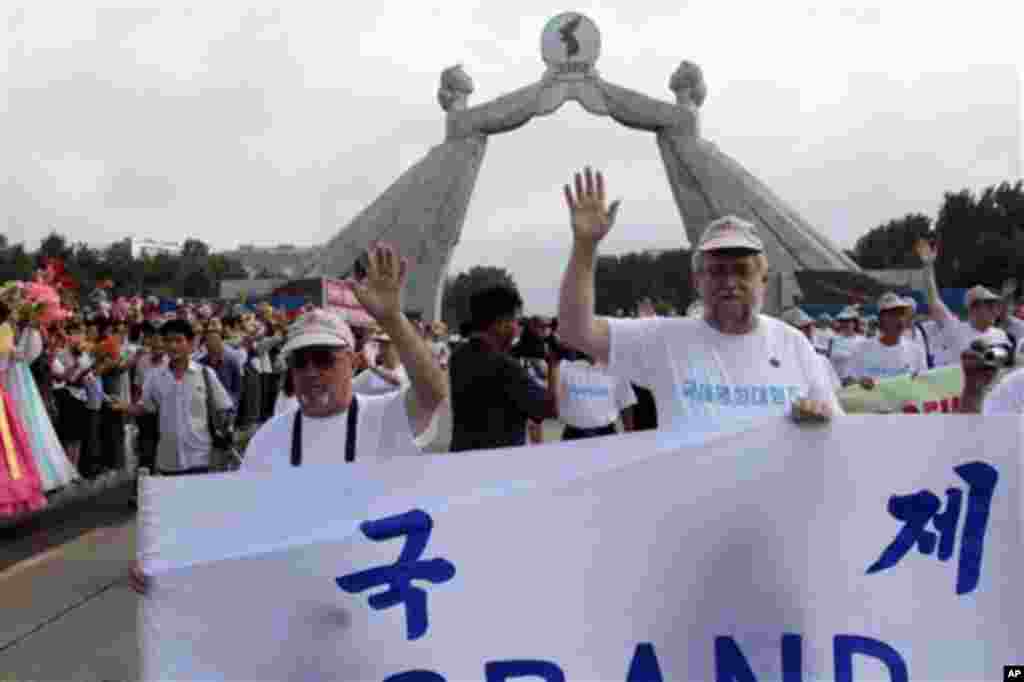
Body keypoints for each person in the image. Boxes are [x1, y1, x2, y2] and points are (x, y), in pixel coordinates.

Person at [557, 167, 839, 433]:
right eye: (716, 271)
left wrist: (818, 421)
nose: (730, 283)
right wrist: (585, 245)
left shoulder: (794, 345)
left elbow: (835, 424)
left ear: (763, 280)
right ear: (697, 282)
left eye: (742, 270)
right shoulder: (664, 339)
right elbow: (575, 331)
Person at [113, 319, 234, 476]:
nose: (173, 346)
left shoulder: (205, 374)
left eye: (178, 340)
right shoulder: (155, 377)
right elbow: (145, 408)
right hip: (168, 460)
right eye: (168, 341)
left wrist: (225, 436)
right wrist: (125, 406)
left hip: (201, 458)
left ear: (190, 344)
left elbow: (225, 408)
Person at [449, 285, 560, 452]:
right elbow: (550, 409)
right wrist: (554, 364)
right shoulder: (506, 366)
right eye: (515, 320)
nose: (517, 329)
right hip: (500, 464)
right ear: (500, 323)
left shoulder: (458, 356)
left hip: (462, 457)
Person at [914, 239, 1009, 355]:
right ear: (973, 309)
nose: (995, 310)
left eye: (995, 305)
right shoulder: (956, 329)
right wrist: (928, 265)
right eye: (989, 305)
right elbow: (933, 300)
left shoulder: (1000, 335)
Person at [845, 293, 927, 389]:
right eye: (893, 314)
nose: (899, 319)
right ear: (881, 319)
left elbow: (925, 385)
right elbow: (848, 382)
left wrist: (918, 381)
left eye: (901, 314)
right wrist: (859, 383)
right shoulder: (861, 349)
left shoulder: (916, 351)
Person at [556, 346, 637, 439]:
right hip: (573, 434)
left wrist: (630, 436)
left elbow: (626, 403)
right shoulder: (562, 366)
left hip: (606, 434)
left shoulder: (616, 368)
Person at [780, 307, 841, 393]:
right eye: (802, 328)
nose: (808, 332)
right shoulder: (776, 362)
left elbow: (835, 392)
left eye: (809, 327)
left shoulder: (821, 361)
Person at [352, 332, 410, 396]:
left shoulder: (408, 372)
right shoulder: (370, 373)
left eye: (387, 345)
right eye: (381, 345)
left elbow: (398, 382)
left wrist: (372, 366)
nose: (382, 349)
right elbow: (350, 388)